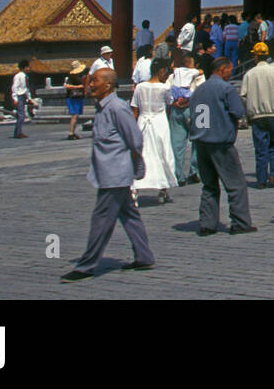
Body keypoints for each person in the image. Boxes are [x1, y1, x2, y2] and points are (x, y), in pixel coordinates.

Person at [61, 68, 154, 281]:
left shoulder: (117, 108)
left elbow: (135, 140)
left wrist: (137, 167)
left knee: (101, 220)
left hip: (115, 175)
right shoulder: (102, 108)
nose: (90, 84)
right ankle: (144, 256)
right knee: (129, 215)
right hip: (109, 173)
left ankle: (86, 266)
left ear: (107, 86)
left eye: (94, 81)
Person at [189, 57, 256, 235]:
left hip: (201, 142)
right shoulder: (226, 89)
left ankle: (207, 224)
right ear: (223, 69)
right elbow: (238, 112)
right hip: (220, 143)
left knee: (209, 185)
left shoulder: (199, 90)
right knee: (235, 184)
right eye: (230, 69)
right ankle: (240, 222)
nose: (231, 73)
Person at [243, 43, 274, 189]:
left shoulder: (249, 74)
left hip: (257, 116)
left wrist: (248, 113)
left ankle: (261, 179)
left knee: (261, 148)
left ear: (256, 56)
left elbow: (243, 96)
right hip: (273, 114)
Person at [131, 57, 177, 203]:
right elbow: (170, 104)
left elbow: (134, 109)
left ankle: (135, 188)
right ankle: (163, 188)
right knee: (163, 153)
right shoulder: (164, 88)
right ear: (161, 71)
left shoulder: (140, 87)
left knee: (142, 154)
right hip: (159, 122)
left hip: (143, 122)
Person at [167, 51, 202, 185]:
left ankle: (178, 174)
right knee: (198, 142)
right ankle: (194, 171)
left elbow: (168, 92)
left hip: (176, 109)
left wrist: (175, 103)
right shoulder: (199, 76)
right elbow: (201, 94)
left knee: (176, 144)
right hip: (197, 109)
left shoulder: (173, 75)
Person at [11, 60, 31, 139]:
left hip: (23, 96)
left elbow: (26, 88)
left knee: (21, 115)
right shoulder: (18, 76)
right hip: (19, 96)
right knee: (21, 115)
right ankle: (18, 133)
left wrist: (29, 98)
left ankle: (18, 132)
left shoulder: (25, 76)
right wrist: (15, 98)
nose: (29, 69)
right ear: (25, 67)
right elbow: (14, 87)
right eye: (28, 67)